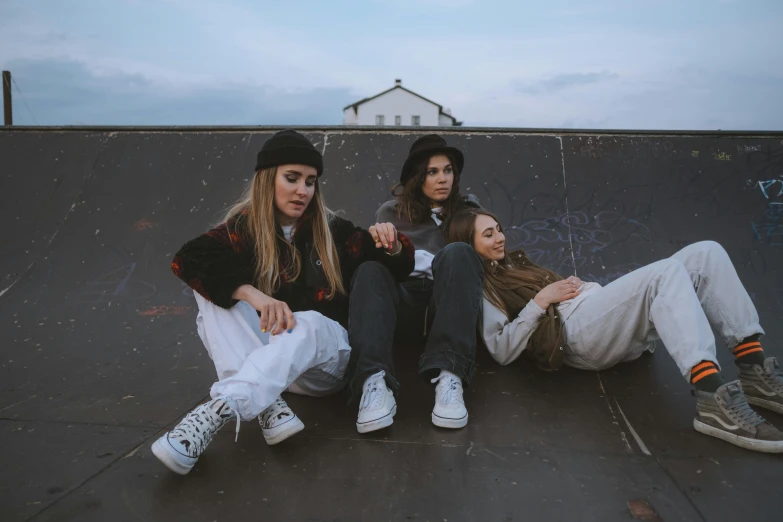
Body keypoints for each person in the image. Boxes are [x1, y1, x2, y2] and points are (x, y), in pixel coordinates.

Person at [152, 130, 414, 475]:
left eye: (310, 182)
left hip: (324, 367)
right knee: (212, 296)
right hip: (276, 368)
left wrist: (393, 245)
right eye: (292, 179)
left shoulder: (333, 231)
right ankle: (269, 408)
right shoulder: (242, 230)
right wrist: (253, 294)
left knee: (309, 322)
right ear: (266, 179)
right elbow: (188, 258)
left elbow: (395, 265)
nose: (302, 191)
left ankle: (219, 409)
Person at [448, 207, 783, 453]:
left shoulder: (513, 263)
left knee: (706, 253)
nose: (500, 237)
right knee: (664, 273)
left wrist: (574, 286)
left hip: (593, 317)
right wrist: (542, 298)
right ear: (468, 242)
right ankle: (710, 396)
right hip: (577, 336)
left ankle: (753, 368)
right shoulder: (483, 286)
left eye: (499, 228)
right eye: (488, 233)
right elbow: (500, 348)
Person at [350, 134, 484, 429]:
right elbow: (386, 269)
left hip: (448, 306)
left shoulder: (468, 210)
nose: (442, 179)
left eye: (447, 170)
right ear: (416, 177)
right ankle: (374, 383)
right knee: (370, 270)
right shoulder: (391, 212)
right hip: (404, 304)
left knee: (459, 252)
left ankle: (451, 377)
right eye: (432, 172)